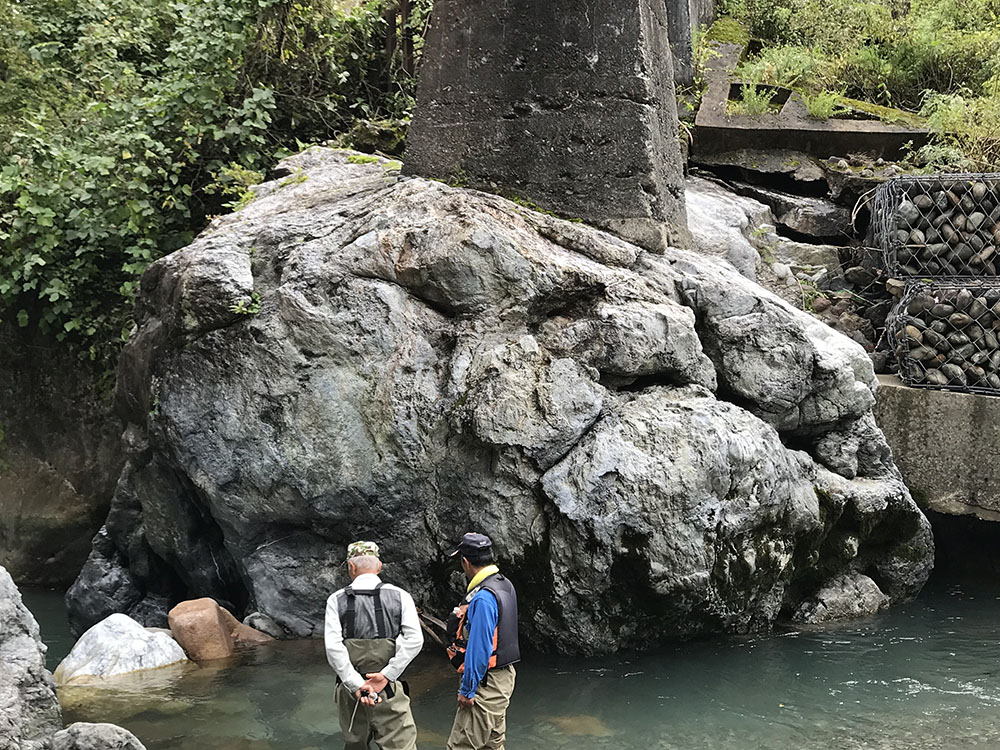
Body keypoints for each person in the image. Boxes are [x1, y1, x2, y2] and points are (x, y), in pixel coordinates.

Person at [325, 541, 424, 750]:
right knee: (401, 745)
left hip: (351, 693)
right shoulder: (401, 596)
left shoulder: (336, 599)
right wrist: (387, 675)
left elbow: (333, 648)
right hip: (388, 689)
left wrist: (356, 685)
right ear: (379, 566)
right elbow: (415, 640)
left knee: (355, 744)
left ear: (351, 567)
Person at [445, 533, 520, 750]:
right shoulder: (504, 584)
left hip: (484, 684)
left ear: (466, 562)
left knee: (460, 747)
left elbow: (480, 649)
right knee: (491, 745)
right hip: (503, 679)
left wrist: (468, 690)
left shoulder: (483, 597)